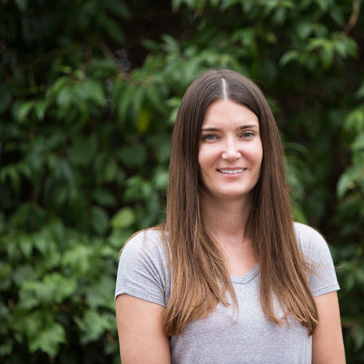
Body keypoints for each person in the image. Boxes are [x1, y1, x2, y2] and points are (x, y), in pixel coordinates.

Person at [115, 69, 346, 364]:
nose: (231, 151)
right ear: (189, 150)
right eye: (211, 137)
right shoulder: (150, 257)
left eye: (246, 134)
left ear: (265, 145)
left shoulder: (306, 248)